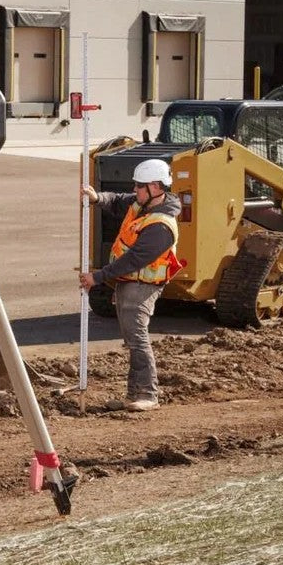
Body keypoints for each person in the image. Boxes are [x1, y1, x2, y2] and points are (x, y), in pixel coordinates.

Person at [78, 159, 182, 412]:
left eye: (139, 186)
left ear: (155, 187)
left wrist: (98, 277)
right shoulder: (141, 205)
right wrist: (96, 198)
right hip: (128, 282)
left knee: (137, 339)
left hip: (143, 286)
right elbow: (116, 200)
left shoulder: (161, 225)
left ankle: (148, 394)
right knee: (131, 340)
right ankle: (134, 395)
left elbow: (135, 259)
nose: (135, 190)